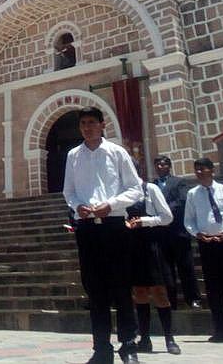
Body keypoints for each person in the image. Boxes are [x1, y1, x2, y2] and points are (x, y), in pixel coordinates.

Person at [63, 106, 142, 364]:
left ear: (101, 125)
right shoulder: (73, 155)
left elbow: (135, 189)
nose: (87, 127)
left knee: (121, 287)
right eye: (83, 123)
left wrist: (113, 204)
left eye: (92, 122)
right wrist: (78, 207)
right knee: (95, 290)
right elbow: (69, 191)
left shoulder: (117, 152)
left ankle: (129, 346)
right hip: (87, 229)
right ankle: (101, 348)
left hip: (114, 226)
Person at [184, 156, 223, 344]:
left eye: (204, 168)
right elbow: (189, 220)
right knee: (213, 288)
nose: (200, 172)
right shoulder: (193, 194)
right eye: (197, 169)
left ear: (212, 170)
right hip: (207, 244)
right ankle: (220, 329)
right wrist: (198, 234)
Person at [126, 167, 180, 355]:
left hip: (151, 244)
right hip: (133, 245)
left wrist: (144, 221)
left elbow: (167, 217)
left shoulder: (150, 189)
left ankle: (169, 339)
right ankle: (145, 338)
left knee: (159, 292)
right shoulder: (122, 193)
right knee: (139, 291)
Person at [151, 155, 201, 309]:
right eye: (157, 164)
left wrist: (164, 213)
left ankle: (193, 298)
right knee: (166, 270)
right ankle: (171, 300)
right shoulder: (152, 185)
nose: (160, 167)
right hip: (160, 234)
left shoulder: (179, 182)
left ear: (169, 166)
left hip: (177, 231)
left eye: (163, 164)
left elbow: (181, 201)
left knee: (185, 266)